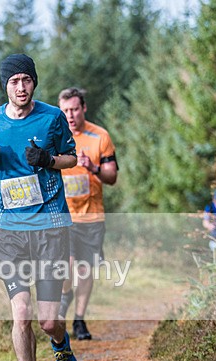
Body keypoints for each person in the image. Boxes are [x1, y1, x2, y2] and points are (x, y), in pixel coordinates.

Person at [0, 54, 78, 361]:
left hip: (49, 226)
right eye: (14, 81)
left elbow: (72, 159)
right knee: (21, 314)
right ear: (6, 84)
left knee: (48, 321)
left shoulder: (51, 117)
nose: (21, 87)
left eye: (27, 80)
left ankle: (60, 343)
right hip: (9, 231)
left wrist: (48, 159)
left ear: (34, 83)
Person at [56, 87, 119, 340]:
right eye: (65, 110)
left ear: (83, 108)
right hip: (63, 214)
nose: (70, 115)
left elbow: (112, 176)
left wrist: (93, 167)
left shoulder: (100, 136)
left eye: (74, 109)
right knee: (67, 265)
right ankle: (64, 295)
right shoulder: (55, 136)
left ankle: (79, 319)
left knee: (85, 270)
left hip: (92, 216)